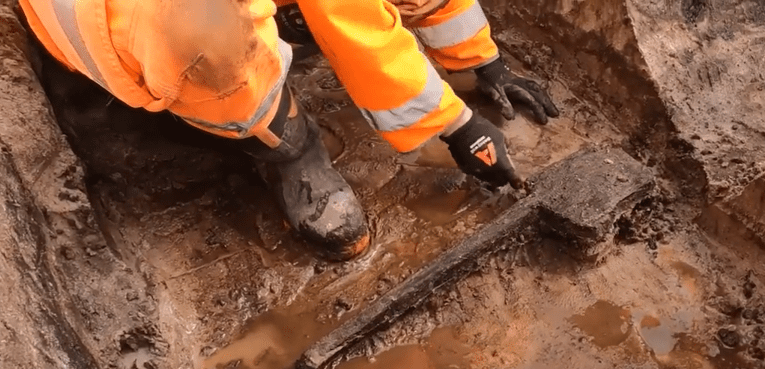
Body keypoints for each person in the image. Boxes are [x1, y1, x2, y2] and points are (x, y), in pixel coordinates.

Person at [17, 0, 559, 261]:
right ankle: (286, 148)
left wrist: (478, 60)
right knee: (206, 42)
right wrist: (456, 125)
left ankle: (277, 25)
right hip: (141, 20)